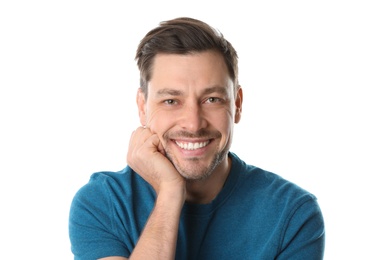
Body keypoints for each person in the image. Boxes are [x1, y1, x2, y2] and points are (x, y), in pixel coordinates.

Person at [69, 17, 325, 260]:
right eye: (171, 101)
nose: (193, 123)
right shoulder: (102, 203)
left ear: (237, 104)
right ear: (142, 107)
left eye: (212, 99)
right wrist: (170, 193)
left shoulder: (293, 214)